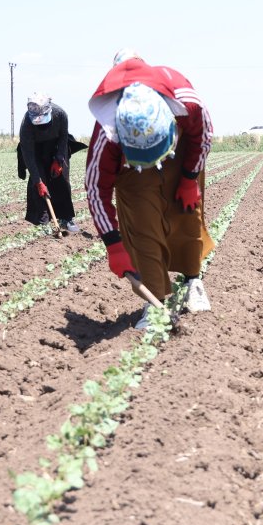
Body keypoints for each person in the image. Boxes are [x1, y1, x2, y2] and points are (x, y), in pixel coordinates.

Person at [85, 57, 214, 329]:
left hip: (177, 152)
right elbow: (96, 190)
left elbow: (203, 136)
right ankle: (154, 301)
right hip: (130, 169)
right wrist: (113, 244)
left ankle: (193, 281)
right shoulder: (107, 134)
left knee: (187, 214)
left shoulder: (185, 101)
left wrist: (190, 178)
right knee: (141, 225)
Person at [18, 93, 78, 232]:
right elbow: (28, 155)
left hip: (56, 146)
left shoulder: (60, 114)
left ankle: (66, 218)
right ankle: (41, 221)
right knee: (38, 182)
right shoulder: (26, 124)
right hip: (35, 150)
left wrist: (59, 159)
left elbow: (63, 137)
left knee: (62, 179)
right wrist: (39, 181)